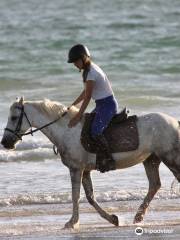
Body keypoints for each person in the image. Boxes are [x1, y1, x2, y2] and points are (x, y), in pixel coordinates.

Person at [67, 44, 118, 172]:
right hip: (101, 105)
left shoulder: (91, 73)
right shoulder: (88, 70)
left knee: (95, 130)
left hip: (107, 106)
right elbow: (85, 92)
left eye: (76, 61)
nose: (74, 64)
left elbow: (88, 96)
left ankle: (108, 159)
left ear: (83, 58)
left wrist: (78, 115)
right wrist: (73, 105)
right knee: (87, 126)